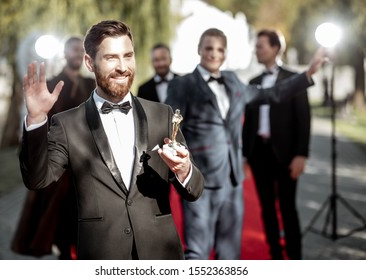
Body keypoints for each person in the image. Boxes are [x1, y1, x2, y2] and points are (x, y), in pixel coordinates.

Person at [18, 19, 204, 260]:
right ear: (89, 62)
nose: (123, 67)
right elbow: (37, 179)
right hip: (101, 255)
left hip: (161, 254)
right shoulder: (67, 124)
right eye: (111, 58)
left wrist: (184, 169)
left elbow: (195, 190)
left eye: (128, 56)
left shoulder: (163, 115)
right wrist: (36, 120)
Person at [165, 28, 324, 260]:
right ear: (199, 50)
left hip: (232, 181)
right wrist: (184, 169)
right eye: (209, 48)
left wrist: (307, 74)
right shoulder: (183, 85)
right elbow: (172, 128)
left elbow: (271, 94)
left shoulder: (232, 81)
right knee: (197, 252)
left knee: (229, 254)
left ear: (225, 53)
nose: (213, 54)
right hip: (200, 182)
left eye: (219, 49)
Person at [11, 36, 95, 259]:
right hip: (58, 165)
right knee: (58, 222)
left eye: (81, 50)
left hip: (86, 166)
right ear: (65, 54)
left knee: (84, 223)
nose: (77, 54)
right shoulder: (50, 84)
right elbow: (40, 124)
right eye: (74, 50)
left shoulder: (91, 85)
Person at [242, 29, 311, 259]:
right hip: (259, 154)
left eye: (261, 46)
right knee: (267, 209)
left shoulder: (294, 79)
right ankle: (275, 258)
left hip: (287, 154)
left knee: (288, 209)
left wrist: (301, 154)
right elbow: (248, 124)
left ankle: (295, 259)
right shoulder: (253, 82)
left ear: (275, 48)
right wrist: (245, 155)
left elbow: (304, 119)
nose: (256, 50)